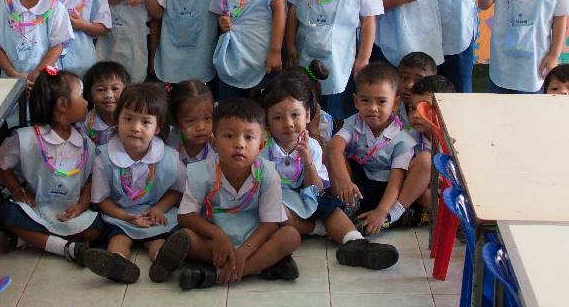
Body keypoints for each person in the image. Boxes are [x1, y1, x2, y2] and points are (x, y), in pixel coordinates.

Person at [259, 67, 400, 270]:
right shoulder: (263, 150)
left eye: (295, 114)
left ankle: (356, 243)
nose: (288, 124)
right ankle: (317, 228)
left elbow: (317, 189)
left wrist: (307, 161)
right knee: (275, 212)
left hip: (308, 194)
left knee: (331, 208)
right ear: (267, 122)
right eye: (277, 118)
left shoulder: (312, 147)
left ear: (308, 115)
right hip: (281, 200)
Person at [176, 98, 301, 289]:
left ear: (261, 146)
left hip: (255, 239)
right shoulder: (200, 172)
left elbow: (269, 223)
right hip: (213, 241)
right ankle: (264, 265)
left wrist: (244, 251)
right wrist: (217, 234)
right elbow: (185, 215)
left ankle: (217, 274)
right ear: (214, 142)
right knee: (185, 238)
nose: (239, 144)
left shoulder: (268, 173)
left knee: (290, 236)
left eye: (249, 137)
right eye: (229, 136)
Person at [83, 83, 189, 284]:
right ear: (117, 120)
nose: (135, 127)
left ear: (158, 127)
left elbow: (177, 190)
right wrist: (126, 217)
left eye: (145, 122)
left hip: (153, 215)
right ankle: (117, 264)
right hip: (120, 215)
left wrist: (158, 209)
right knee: (117, 239)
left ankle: (163, 261)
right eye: (128, 118)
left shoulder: (169, 157)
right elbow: (101, 199)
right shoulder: (104, 158)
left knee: (158, 239)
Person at [0, 68, 100, 263]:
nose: (87, 102)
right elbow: (1, 162)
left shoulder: (86, 143)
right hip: (37, 208)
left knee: (100, 227)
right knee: (6, 214)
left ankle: (33, 238)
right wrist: (17, 191)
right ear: (62, 104)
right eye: (82, 95)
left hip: (71, 211)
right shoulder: (26, 138)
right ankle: (66, 248)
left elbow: (89, 181)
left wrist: (81, 206)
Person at [326, 63, 416, 236]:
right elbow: (334, 147)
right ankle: (347, 207)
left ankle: (385, 216)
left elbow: (396, 181)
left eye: (382, 101)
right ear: (356, 101)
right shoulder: (354, 122)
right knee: (330, 150)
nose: (373, 108)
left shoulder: (402, 139)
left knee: (401, 181)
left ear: (395, 103)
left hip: (384, 190)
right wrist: (345, 181)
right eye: (365, 100)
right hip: (355, 187)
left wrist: (382, 211)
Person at [394, 74, 455, 226]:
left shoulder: (457, 140)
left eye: (424, 109)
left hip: (455, 195)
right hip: (429, 193)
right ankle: (448, 221)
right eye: (412, 108)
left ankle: (452, 221)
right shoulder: (408, 136)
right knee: (417, 186)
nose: (415, 115)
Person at [77, 61, 130, 151]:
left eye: (115, 88)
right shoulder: (83, 124)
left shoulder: (133, 120)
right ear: (90, 95)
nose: (108, 95)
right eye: (101, 89)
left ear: (127, 91)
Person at [165, 80, 216, 165]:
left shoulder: (218, 146)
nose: (201, 127)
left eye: (207, 118)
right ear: (175, 120)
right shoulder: (168, 144)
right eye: (191, 120)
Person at [396, 52, 437, 126]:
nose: (409, 85)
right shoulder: (388, 107)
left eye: (418, 81)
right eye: (404, 78)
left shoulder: (438, 115)